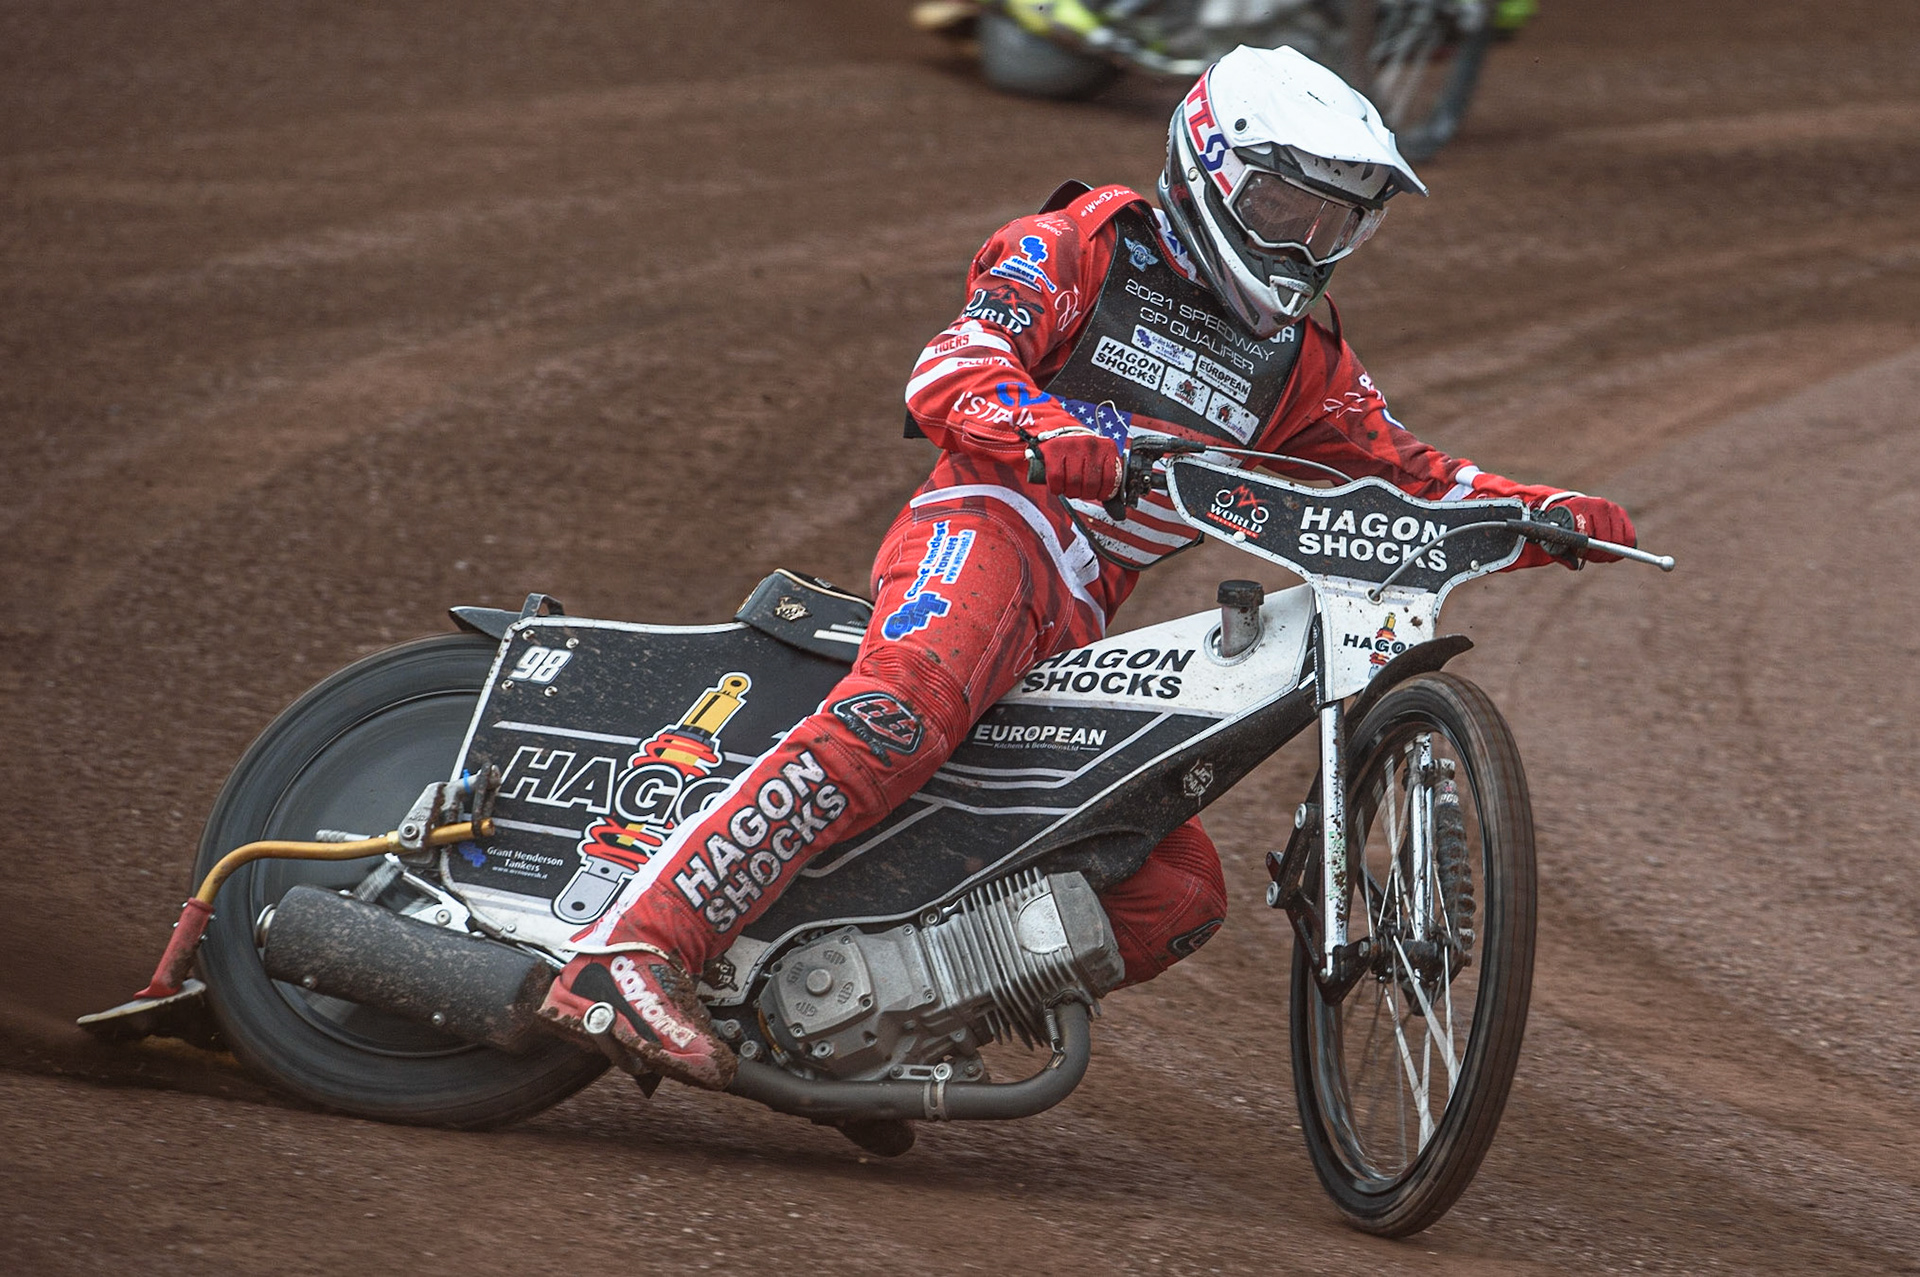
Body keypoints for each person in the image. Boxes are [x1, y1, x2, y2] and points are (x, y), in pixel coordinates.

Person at [538, 44, 1635, 1091]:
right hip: (990, 529)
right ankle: (635, 942)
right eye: (1282, 210)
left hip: (1073, 623)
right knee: (905, 709)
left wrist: (1545, 514)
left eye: (1333, 223)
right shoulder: (1078, 246)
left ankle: (867, 1024)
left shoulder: (1299, 361)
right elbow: (952, 370)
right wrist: (1076, 440)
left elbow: (1413, 479)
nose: (1302, 246)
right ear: (1211, 168)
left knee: (1172, 891)